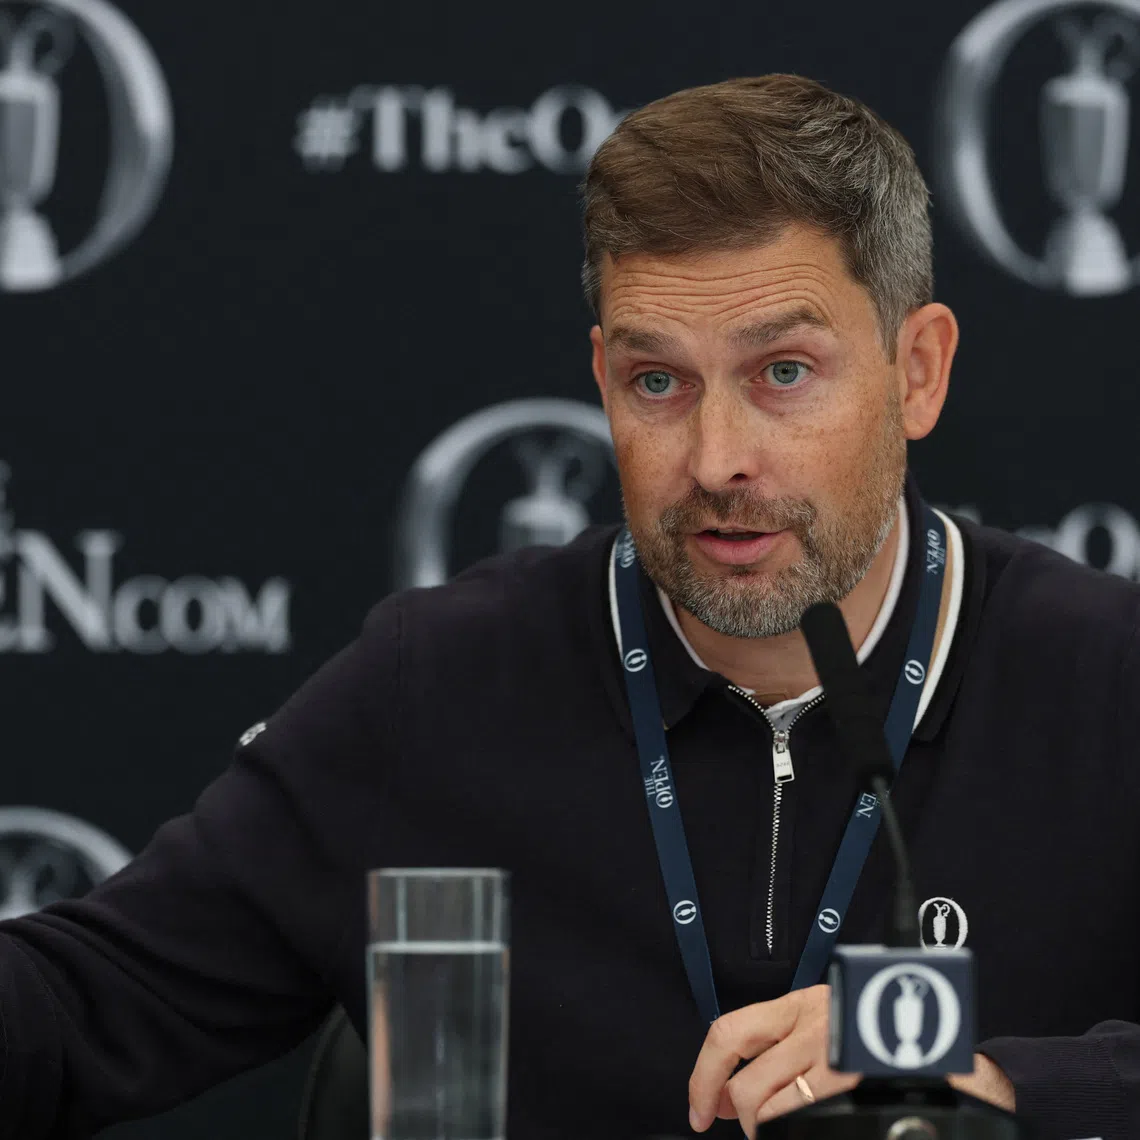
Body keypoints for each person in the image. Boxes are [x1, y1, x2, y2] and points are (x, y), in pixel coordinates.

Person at [3, 74, 1140, 1140]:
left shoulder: (1103, 675)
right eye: (660, 382)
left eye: (783, 372)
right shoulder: (440, 685)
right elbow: (84, 1004)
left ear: (919, 372)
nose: (716, 458)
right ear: (603, 382)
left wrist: (997, 1083)